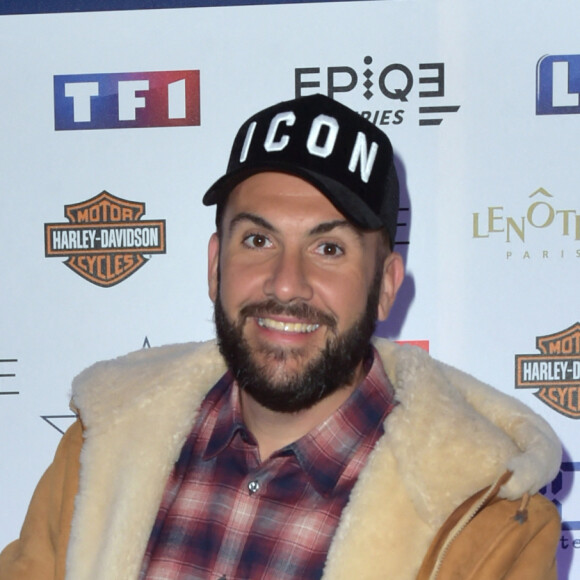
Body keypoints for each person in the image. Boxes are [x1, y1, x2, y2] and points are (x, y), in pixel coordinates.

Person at [0, 94, 562, 580]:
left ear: (386, 286)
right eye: (257, 241)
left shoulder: (487, 520)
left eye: (329, 248)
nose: (286, 283)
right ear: (216, 262)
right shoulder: (100, 448)